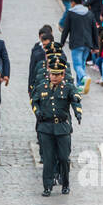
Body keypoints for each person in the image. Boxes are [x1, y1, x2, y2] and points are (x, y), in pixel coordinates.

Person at [30, 56, 81, 196]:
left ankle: (65, 183)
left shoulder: (68, 87)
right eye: (52, 74)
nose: (54, 77)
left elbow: (75, 98)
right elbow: (34, 101)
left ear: (63, 74)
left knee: (64, 158)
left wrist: (77, 111)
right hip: (46, 128)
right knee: (48, 158)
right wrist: (37, 112)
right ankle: (47, 186)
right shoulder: (42, 87)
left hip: (62, 128)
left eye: (57, 74)